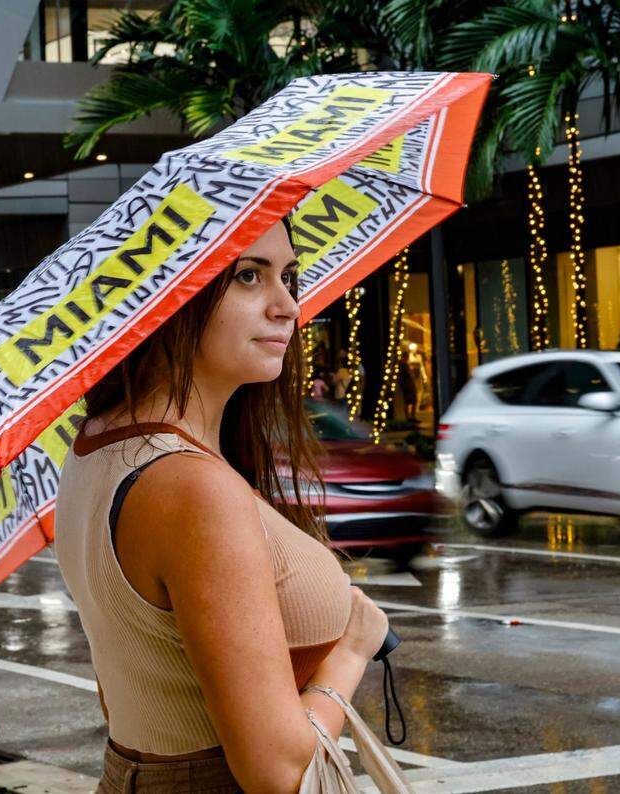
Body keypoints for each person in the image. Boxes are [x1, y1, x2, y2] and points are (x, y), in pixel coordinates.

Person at [54, 219, 390, 793]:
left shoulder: (98, 444)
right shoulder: (191, 486)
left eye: (288, 277)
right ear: (170, 290)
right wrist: (351, 651)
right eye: (247, 276)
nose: (287, 306)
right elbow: (278, 774)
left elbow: (134, 681)